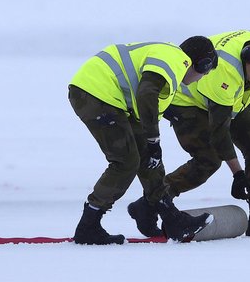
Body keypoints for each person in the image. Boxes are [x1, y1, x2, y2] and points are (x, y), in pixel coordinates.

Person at [126, 30, 250, 237]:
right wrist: (238, 174)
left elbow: (245, 93)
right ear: (249, 57)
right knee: (209, 159)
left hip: (226, 101)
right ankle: (149, 204)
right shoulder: (225, 72)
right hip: (185, 101)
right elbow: (219, 133)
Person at [68, 36, 219, 245]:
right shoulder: (176, 59)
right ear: (201, 63)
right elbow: (147, 93)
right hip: (95, 92)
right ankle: (88, 226)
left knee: (149, 158)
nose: (200, 79)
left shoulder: (170, 74)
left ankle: (172, 218)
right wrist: (153, 139)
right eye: (204, 73)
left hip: (112, 98)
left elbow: (147, 107)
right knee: (125, 162)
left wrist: (152, 145)